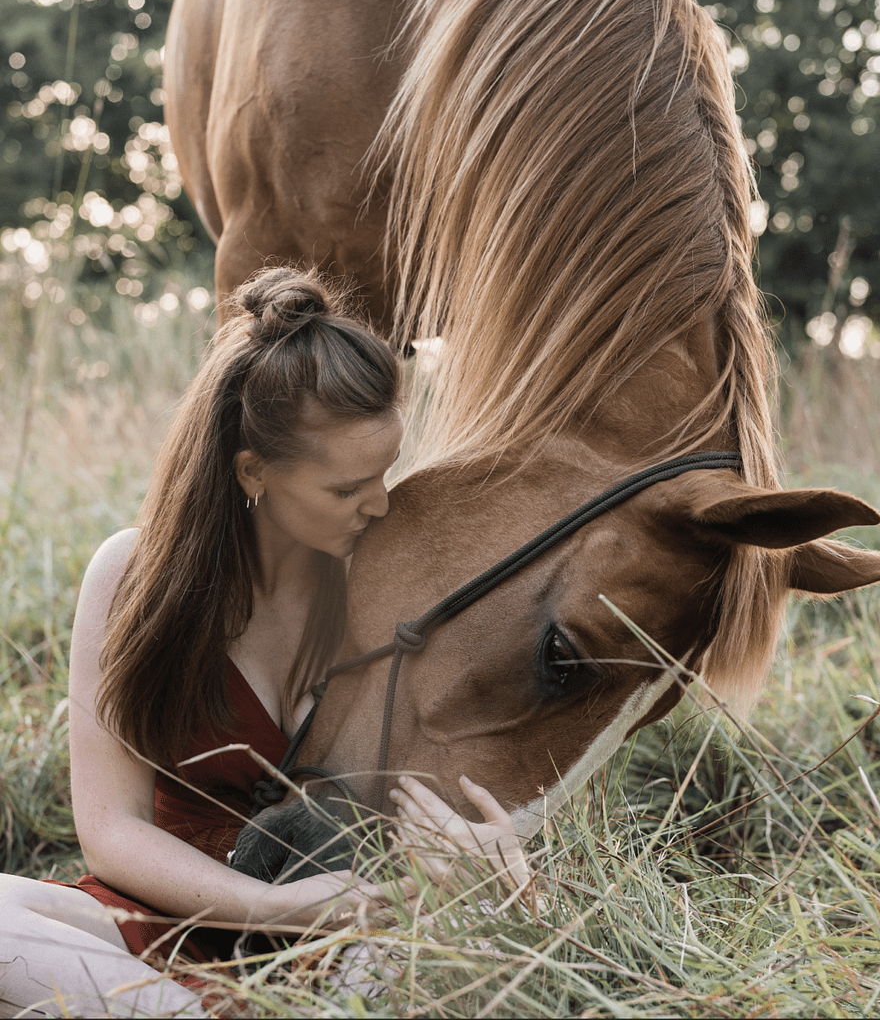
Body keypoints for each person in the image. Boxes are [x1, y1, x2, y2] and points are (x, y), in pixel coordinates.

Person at [0, 268, 528, 1019]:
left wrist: (484, 848)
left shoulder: (387, 594)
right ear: (254, 473)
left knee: (426, 945)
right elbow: (112, 830)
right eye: (347, 489)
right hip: (167, 920)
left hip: (343, 938)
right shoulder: (131, 576)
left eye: (386, 472)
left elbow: (444, 791)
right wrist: (270, 908)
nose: (380, 504)